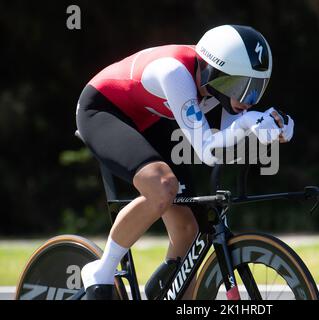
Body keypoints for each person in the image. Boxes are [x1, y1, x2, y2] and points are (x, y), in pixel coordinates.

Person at [76, 24, 294, 299]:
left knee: (190, 228)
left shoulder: (219, 88)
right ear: (213, 71)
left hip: (149, 116)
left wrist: (275, 129)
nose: (247, 99)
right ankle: (101, 271)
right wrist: (249, 123)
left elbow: (227, 143)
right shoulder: (175, 74)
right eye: (241, 86)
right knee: (163, 187)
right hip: (104, 109)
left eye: (256, 89)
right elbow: (206, 150)